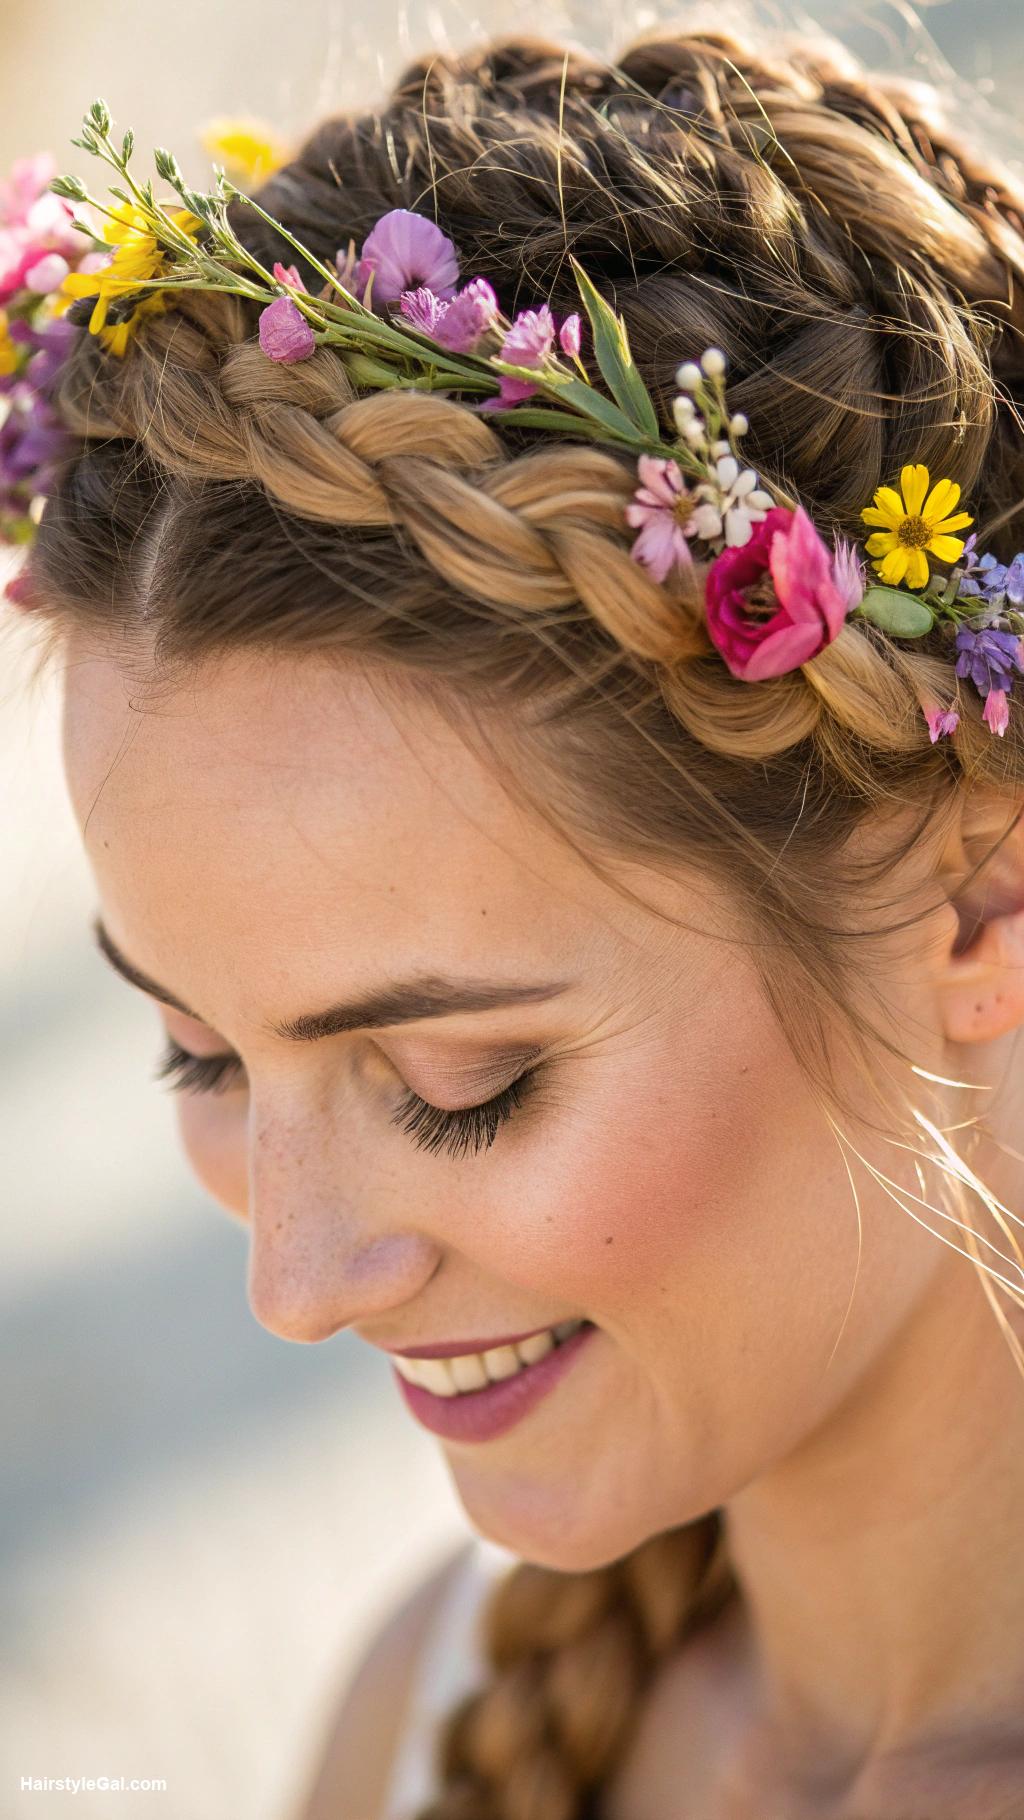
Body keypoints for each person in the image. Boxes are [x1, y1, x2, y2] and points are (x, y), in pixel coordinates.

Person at [10, 19, 1024, 1820]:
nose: (294, 1289)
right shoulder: (421, 1709)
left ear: (978, 902)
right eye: (198, 1054)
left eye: (462, 1084)